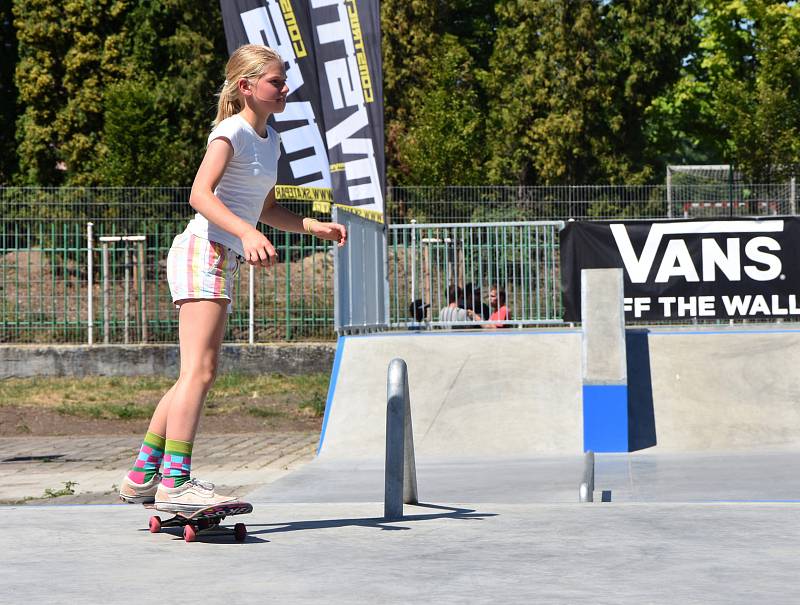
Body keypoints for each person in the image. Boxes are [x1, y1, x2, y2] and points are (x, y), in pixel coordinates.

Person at [118, 44, 346, 511]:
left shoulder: (269, 140)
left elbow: (264, 208)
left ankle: (143, 475)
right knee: (199, 373)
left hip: (220, 257)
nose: (284, 89)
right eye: (276, 82)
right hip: (202, 251)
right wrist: (245, 232)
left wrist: (310, 225)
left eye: (283, 81)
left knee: (192, 375)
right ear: (247, 87)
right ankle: (174, 481)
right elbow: (200, 195)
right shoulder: (231, 131)